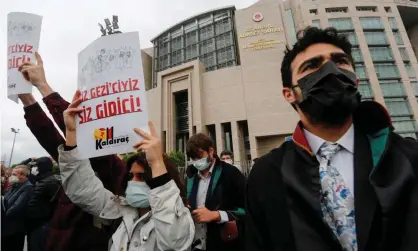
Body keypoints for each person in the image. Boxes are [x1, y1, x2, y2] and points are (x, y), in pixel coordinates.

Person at [246, 26, 418, 251]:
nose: (330, 70)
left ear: (355, 81)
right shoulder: (267, 175)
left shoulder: (409, 157)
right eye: (311, 66)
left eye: (340, 61)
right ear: (289, 93)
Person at [18, 52, 128, 250]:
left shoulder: (115, 169)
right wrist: (27, 99)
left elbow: (82, 130)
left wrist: (44, 86)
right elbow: (49, 135)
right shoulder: (75, 160)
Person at [58, 91, 195, 250]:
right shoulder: (120, 209)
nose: (133, 182)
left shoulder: (180, 216)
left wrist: (157, 162)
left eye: (142, 177)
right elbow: (82, 187)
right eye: (130, 176)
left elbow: (174, 240)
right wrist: (71, 135)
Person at [186, 133, 246, 251]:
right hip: (196, 244)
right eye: (193, 158)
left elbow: (248, 208)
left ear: (211, 151)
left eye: (200, 156)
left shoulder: (231, 174)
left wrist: (217, 215)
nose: (197, 161)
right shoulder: (190, 176)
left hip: (223, 244)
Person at [26, 157, 61, 251]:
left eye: (37, 166)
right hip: (34, 223)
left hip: (42, 224)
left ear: (43, 167)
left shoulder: (51, 182)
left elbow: (57, 203)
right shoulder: (39, 179)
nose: (35, 168)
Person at [2, 165, 33, 251]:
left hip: (15, 228)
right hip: (7, 226)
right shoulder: (15, 184)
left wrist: (3, 216)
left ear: (23, 175)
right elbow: (5, 199)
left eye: (14, 174)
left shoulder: (28, 187)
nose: (11, 176)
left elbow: (17, 207)